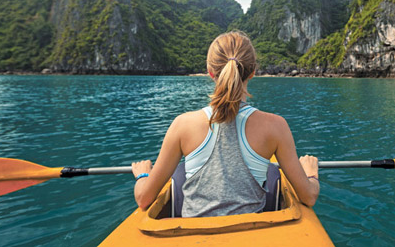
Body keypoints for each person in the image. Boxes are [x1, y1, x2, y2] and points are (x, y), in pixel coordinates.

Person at [131, 31, 319, 216]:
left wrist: (143, 176)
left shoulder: (182, 125)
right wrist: (310, 173)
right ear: (253, 71)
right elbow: (308, 197)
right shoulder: (276, 126)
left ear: (210, 72)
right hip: (251, 236)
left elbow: (144, 199)